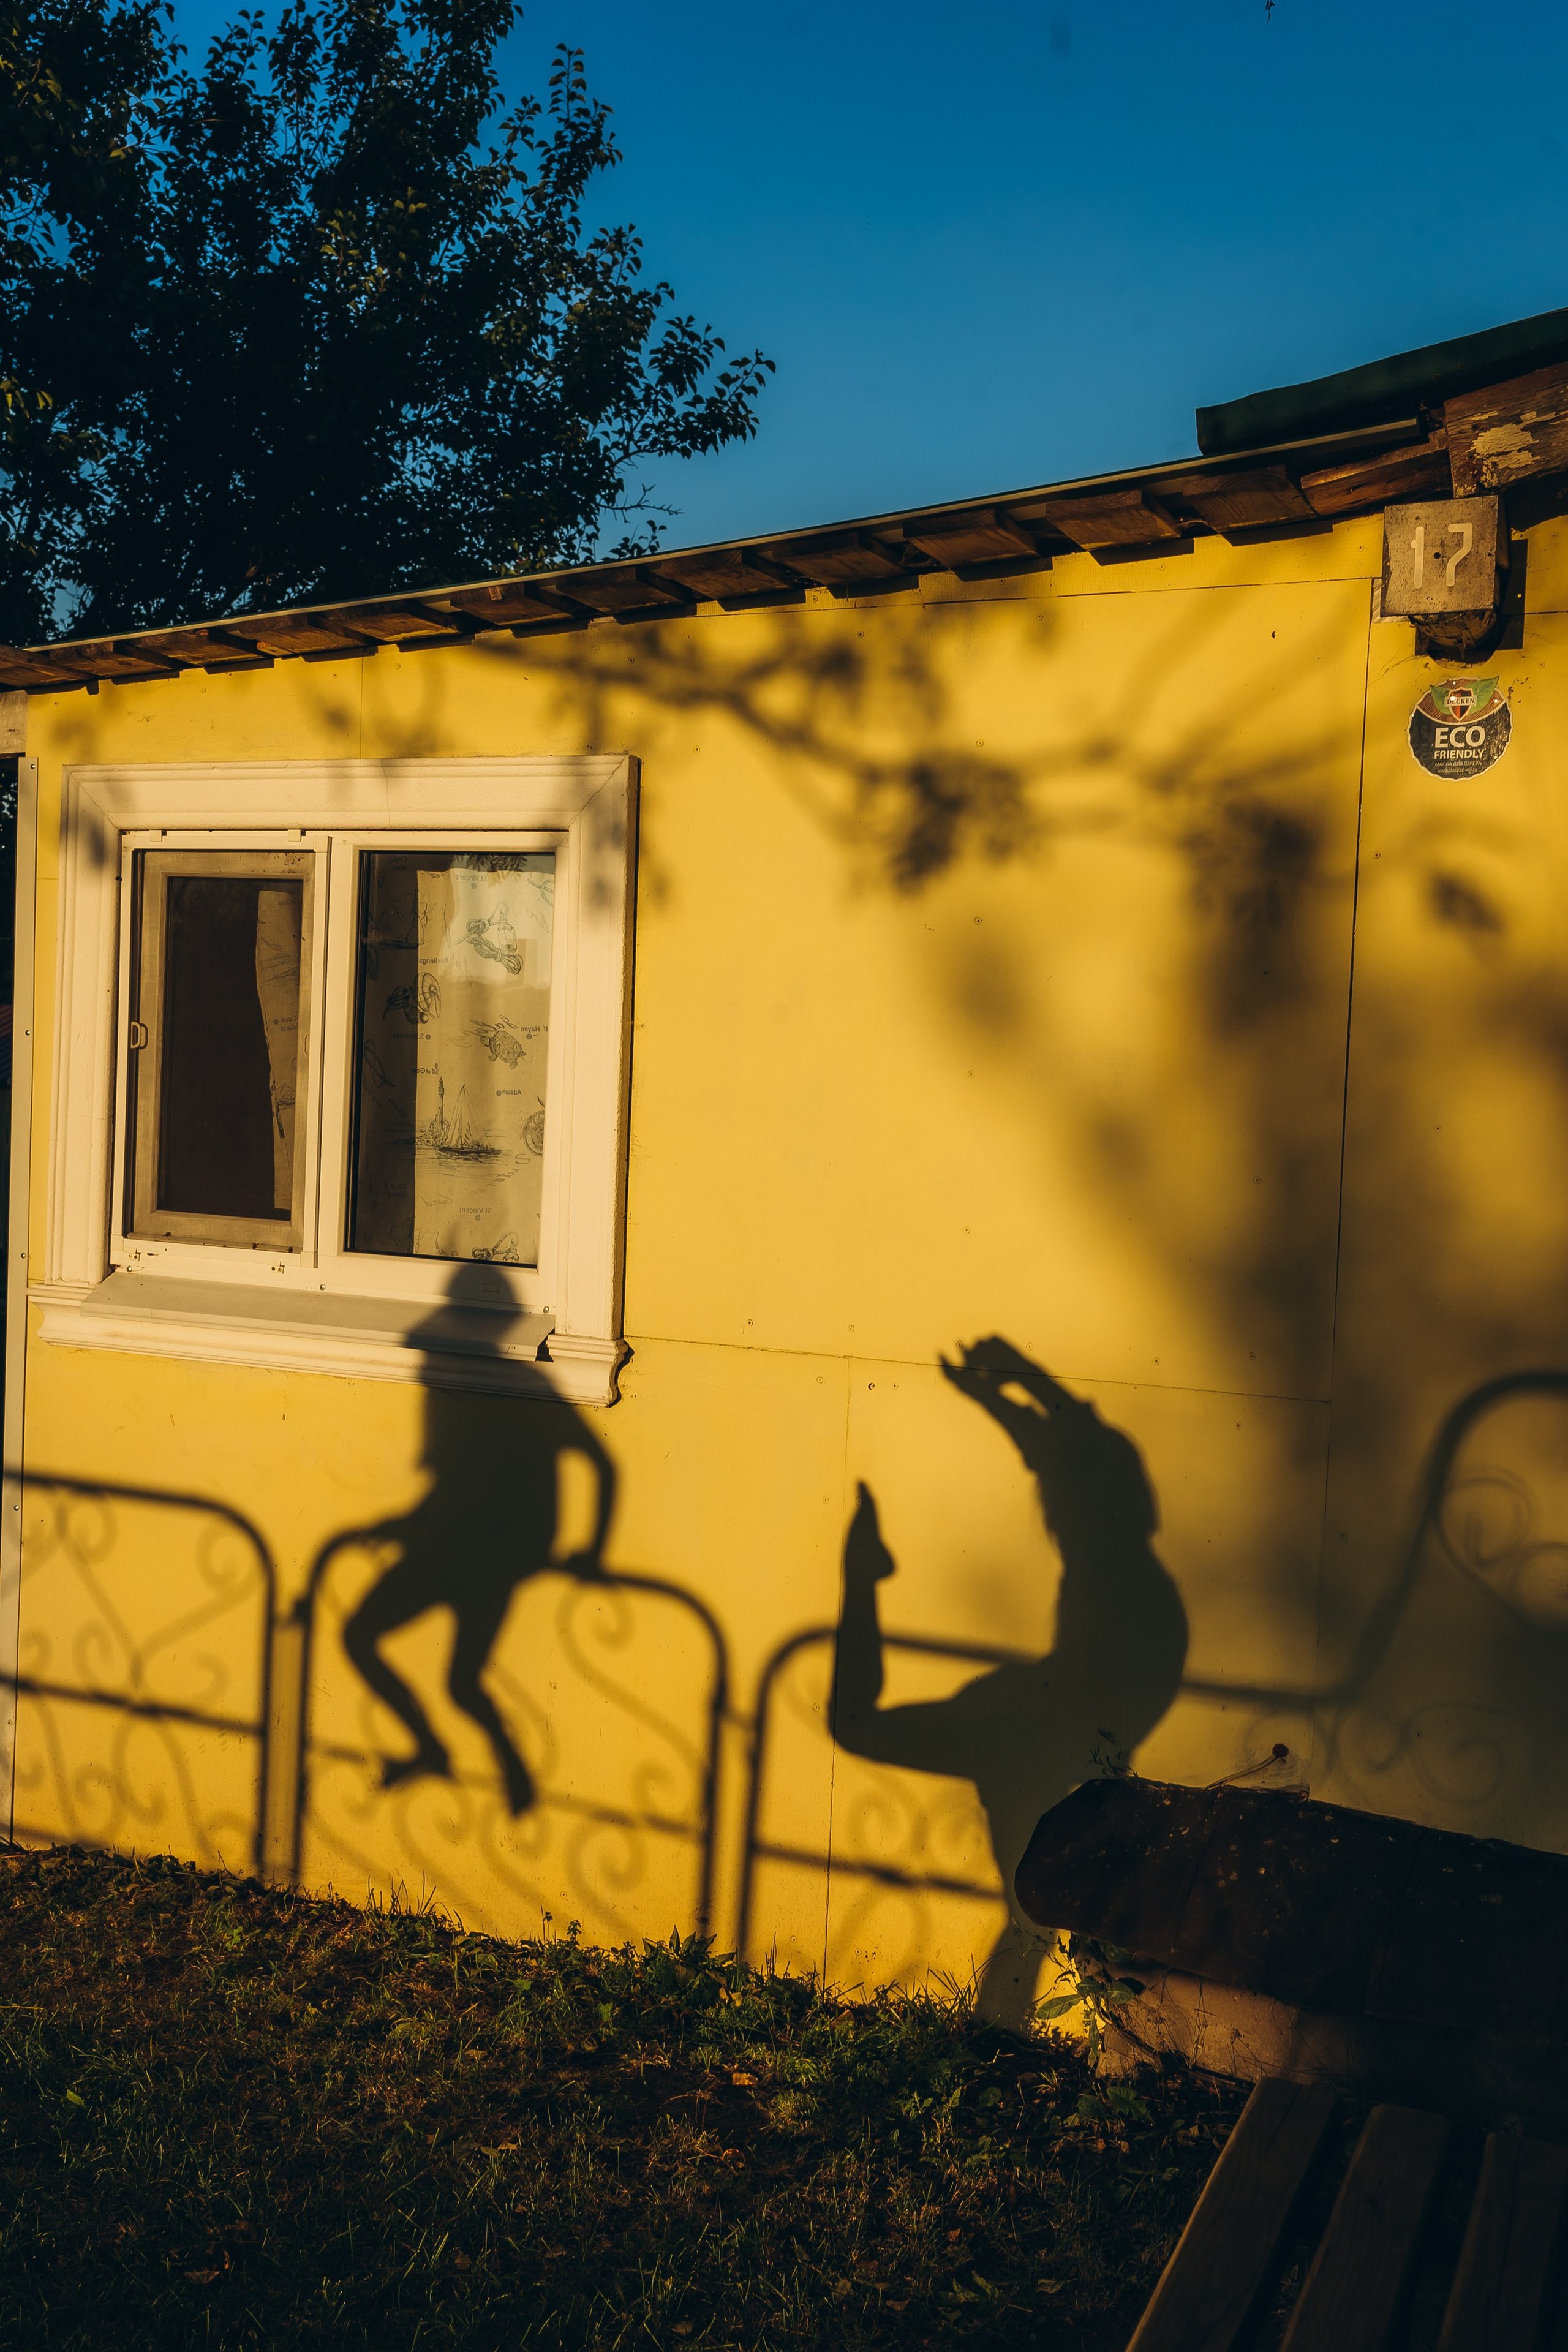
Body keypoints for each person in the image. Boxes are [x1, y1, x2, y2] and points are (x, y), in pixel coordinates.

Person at [832, 1336, 1187, 2025]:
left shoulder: (1117, 1577)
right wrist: (1014, 1388)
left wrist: (1018, 1388)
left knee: (1028, 1908)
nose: (1051, 1511)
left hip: (1042, 1727)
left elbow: (1067, 1460)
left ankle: (861, 1577)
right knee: (1030, 1908)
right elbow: (1066, 1455)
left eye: (1059, 1502)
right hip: (1050, 1722)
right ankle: (1026, 2023)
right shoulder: (1129, 1571)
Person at [341, 1271, 616, 1815]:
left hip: (479, 1548)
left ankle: (444, 1751)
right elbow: (453, 1483)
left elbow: (598, 1466)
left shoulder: (526, 1383)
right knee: (454, 1677)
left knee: (378, 1643)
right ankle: (468, 1758)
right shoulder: (462, 1378)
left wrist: (593, 1549)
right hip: (484, 1547)